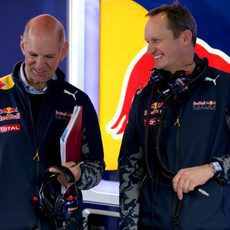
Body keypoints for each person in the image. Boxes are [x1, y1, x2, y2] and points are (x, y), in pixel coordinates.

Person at [118, 2, 230, 230]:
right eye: (148, 42)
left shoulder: (224, 89)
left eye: (156, 41)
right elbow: (129, 166)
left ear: (185, 37)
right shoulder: (145, 96)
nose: (150, 50)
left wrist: (212, 168)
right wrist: (129, 226)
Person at [0, 14, 105, 229]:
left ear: (63, 51)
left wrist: (77, 174)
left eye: (49, 56)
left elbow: (96, 166)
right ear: (22, 45)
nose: (40, 64)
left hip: (60, 223)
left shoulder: (78, 102)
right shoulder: (1, 95)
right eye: (33, 54)